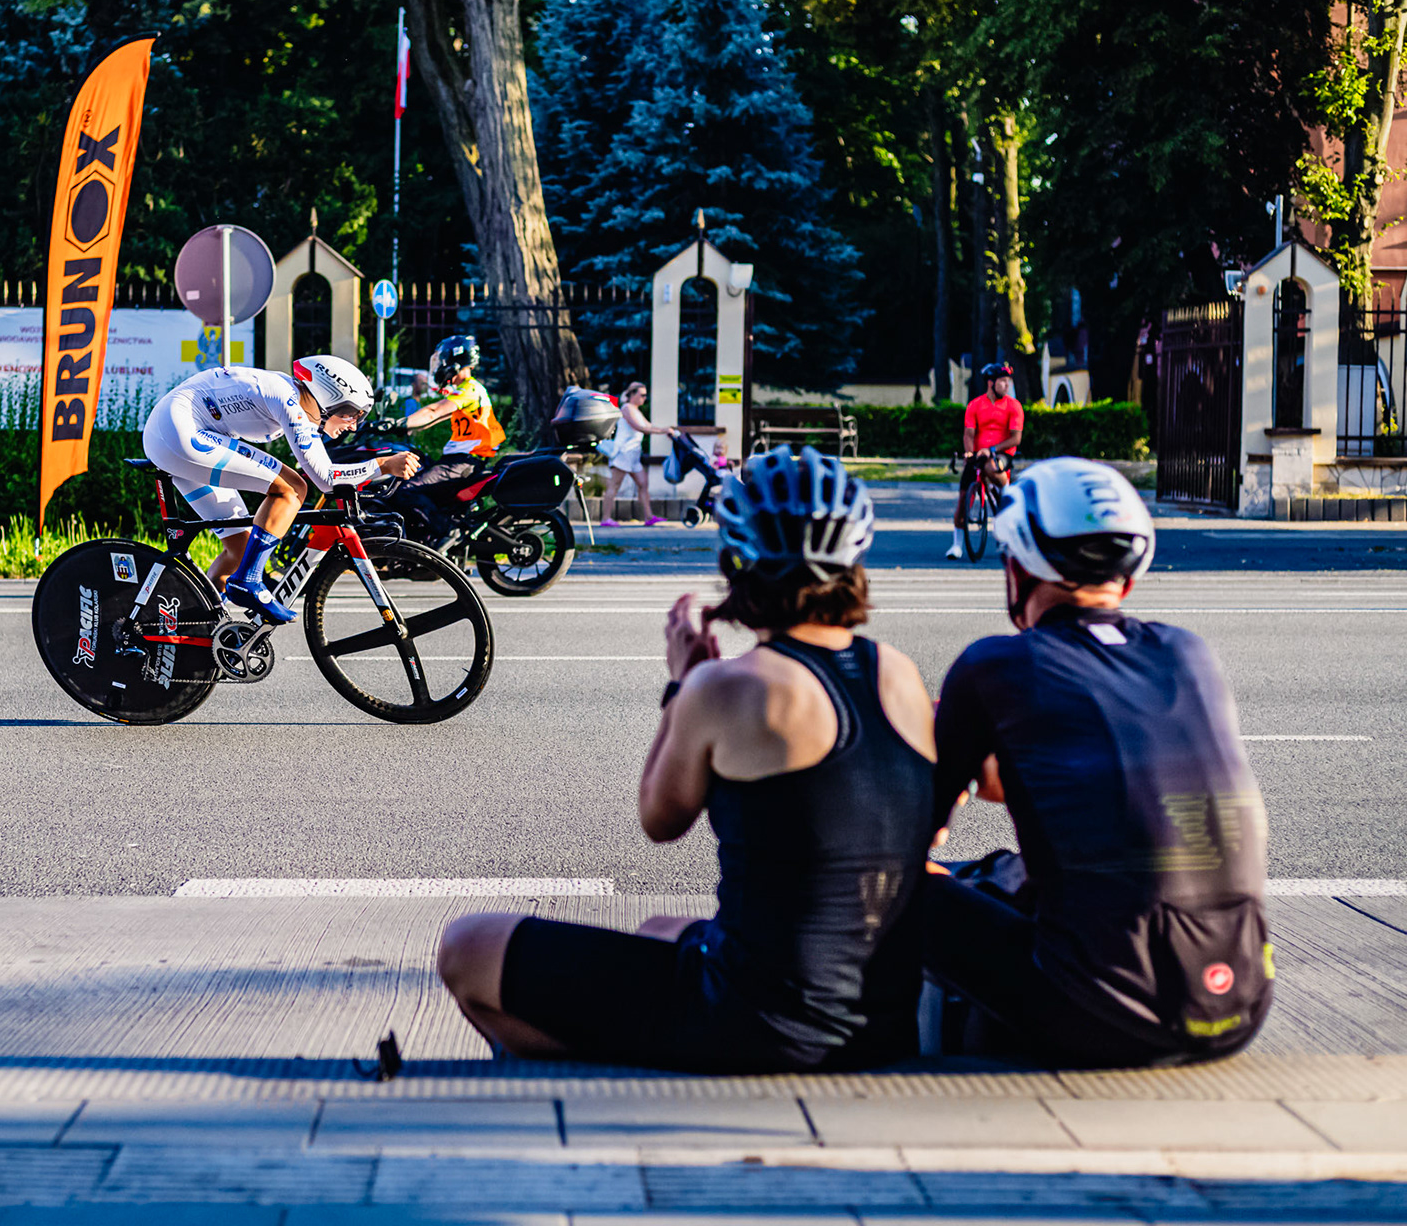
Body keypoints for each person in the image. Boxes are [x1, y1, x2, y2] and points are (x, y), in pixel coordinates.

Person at [435, 446, 940, 1072]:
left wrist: (684, 682)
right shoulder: (898, 672)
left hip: (763, 1023)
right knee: (659, 929)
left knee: (468, 947)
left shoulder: (730, 685)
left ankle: (614, 1084)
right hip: (880, 1023)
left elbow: (660, 819)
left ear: (738, 563)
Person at [925, 458, 1272, 1067]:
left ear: (1017, 568)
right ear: (1127, 580)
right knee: (1005, 871)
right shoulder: (1188, 652)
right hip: (1238, 1008)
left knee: (886, 882)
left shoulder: (994, 666)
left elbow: (912, 832)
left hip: (1097, 1017)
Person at [141, 356, 420, 624]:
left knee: (239, 549)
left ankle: (196, 628)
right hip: (180, 434)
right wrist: (383, 465)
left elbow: (320, 466)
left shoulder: (290, 396)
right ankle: (248, 581)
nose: (354, 425)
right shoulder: (289, 401)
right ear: (326, 399)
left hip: (176, 434)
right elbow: (326, 479)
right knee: (292, 489)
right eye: (350, 414)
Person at [387, 335, 506, 539]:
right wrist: (403, 427)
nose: (440, 365)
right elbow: (434, 418)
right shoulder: (466, 391)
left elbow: (433, 411)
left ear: (454, 361)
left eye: (442, 360)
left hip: (462, 463)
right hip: (458, 461)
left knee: (408, 491)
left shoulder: (470, 389)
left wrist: (397, 423)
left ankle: (446, 533)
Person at [947, 363, 1024, 560]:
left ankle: (1004, 490)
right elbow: (969, 434)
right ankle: (956, 546)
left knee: (991, 466)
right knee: (962, 501)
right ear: (991, 383)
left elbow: (1016, 439)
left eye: (1008, 381)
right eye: (1003, 381)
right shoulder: (975, 405)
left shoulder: (1014, 406)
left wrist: (992, 450)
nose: (1007, 385)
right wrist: (969, 453)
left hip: (1001, 454)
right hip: (978, 454)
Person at [601, 382, 677, 527]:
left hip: (633, 456)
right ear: (632, 395)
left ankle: (649, 517)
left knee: (643, 484)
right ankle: (606, 519)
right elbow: (640, 428)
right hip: (623, 453)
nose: (644, 398)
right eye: (642, 395)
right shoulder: (626, 408)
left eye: (645, 395)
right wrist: (663, 431)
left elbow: (648, 426)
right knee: (614, 485)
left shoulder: (636, 410)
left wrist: (666, 430)